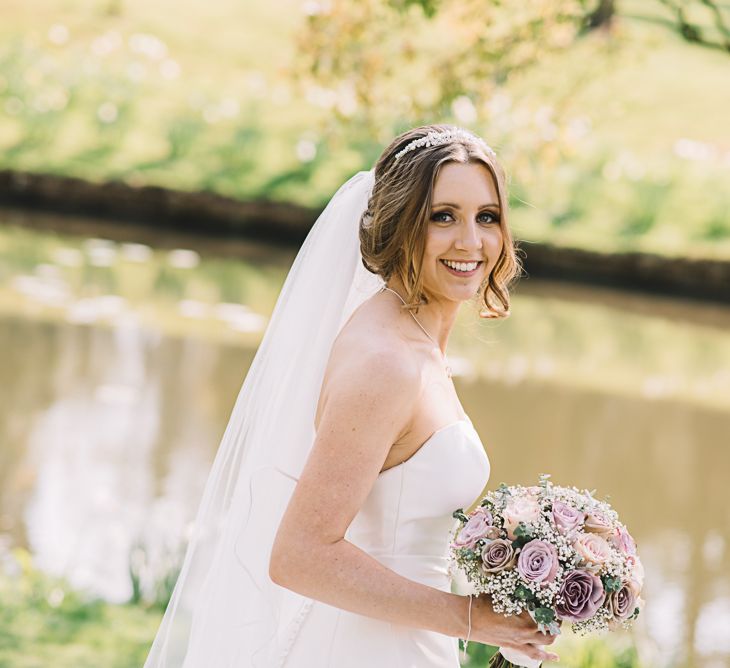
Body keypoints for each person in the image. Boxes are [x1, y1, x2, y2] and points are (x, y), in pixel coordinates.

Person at [144, 124, 559, 667]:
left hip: (404, 639)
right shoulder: (387, 362)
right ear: (399, 225)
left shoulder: (411, 340)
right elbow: (300, 555)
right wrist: (469, 617)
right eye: (442, 217)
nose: (470, 241)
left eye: (486, 217)